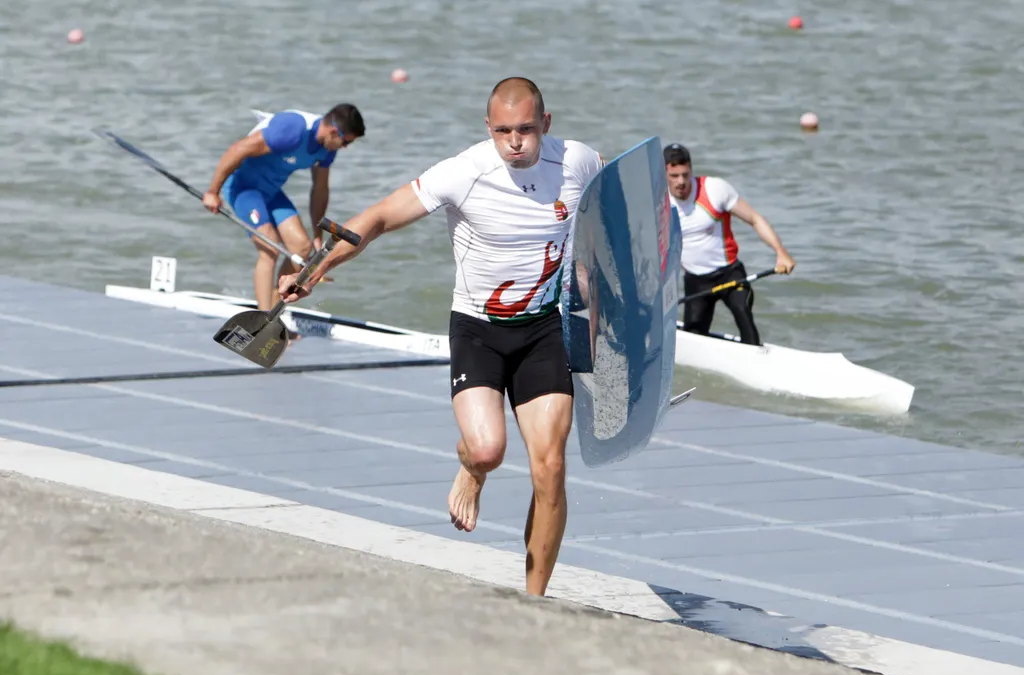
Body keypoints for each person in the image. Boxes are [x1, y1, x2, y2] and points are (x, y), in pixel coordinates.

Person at [278, 77, 604, 597]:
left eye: (525, 129)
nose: (514, 142)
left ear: (546, 123)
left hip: (544, 328)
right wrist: (313, 267)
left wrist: (601, 295)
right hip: (478, 330)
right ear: (488, 128)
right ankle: (472, 469)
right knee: (489, 448)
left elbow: (606, 224)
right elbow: (379, 218)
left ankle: (536, 604)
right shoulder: (463, 172)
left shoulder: (580, 163)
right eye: (503, 131)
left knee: (551, 466)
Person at [202, 104, 365, 311]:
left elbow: (320, 190)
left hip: (271, 192)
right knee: (270, 248)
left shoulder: (326, 150)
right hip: (243, 188)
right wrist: (212, 192)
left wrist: (317, 235)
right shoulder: (292, 130)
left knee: (303, 248)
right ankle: (262, 320)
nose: (345, 147)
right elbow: (238, 149)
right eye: (346, 142)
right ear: (334, 132)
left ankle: (273, 305)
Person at [664, 142, 795, 345]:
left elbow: (755, 219)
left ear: (691, 169)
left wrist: (781, 252)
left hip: (729, 274)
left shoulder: (714, 190)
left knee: (743, 313)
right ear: (664, 175)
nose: (681, 181)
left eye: (685, 174)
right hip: (696, 281)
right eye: (674, 176)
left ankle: (755, 357)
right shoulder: (659, 204)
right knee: (694, 335)